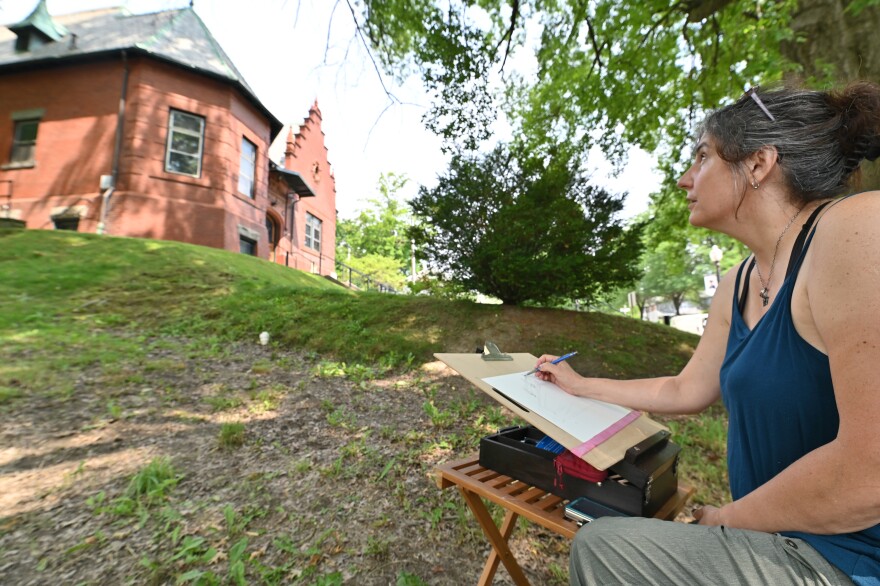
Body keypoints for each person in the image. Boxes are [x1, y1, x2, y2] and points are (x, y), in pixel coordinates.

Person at [534, 82, 880, 586]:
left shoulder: (855, 228)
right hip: (773, 539)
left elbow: (869, 473)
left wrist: (725, 520)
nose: (683, 179)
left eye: (701, 157)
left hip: (849, 559)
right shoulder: (737, 281)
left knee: (606, 550)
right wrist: (579, 384)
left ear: (758, 164)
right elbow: (685, 389)